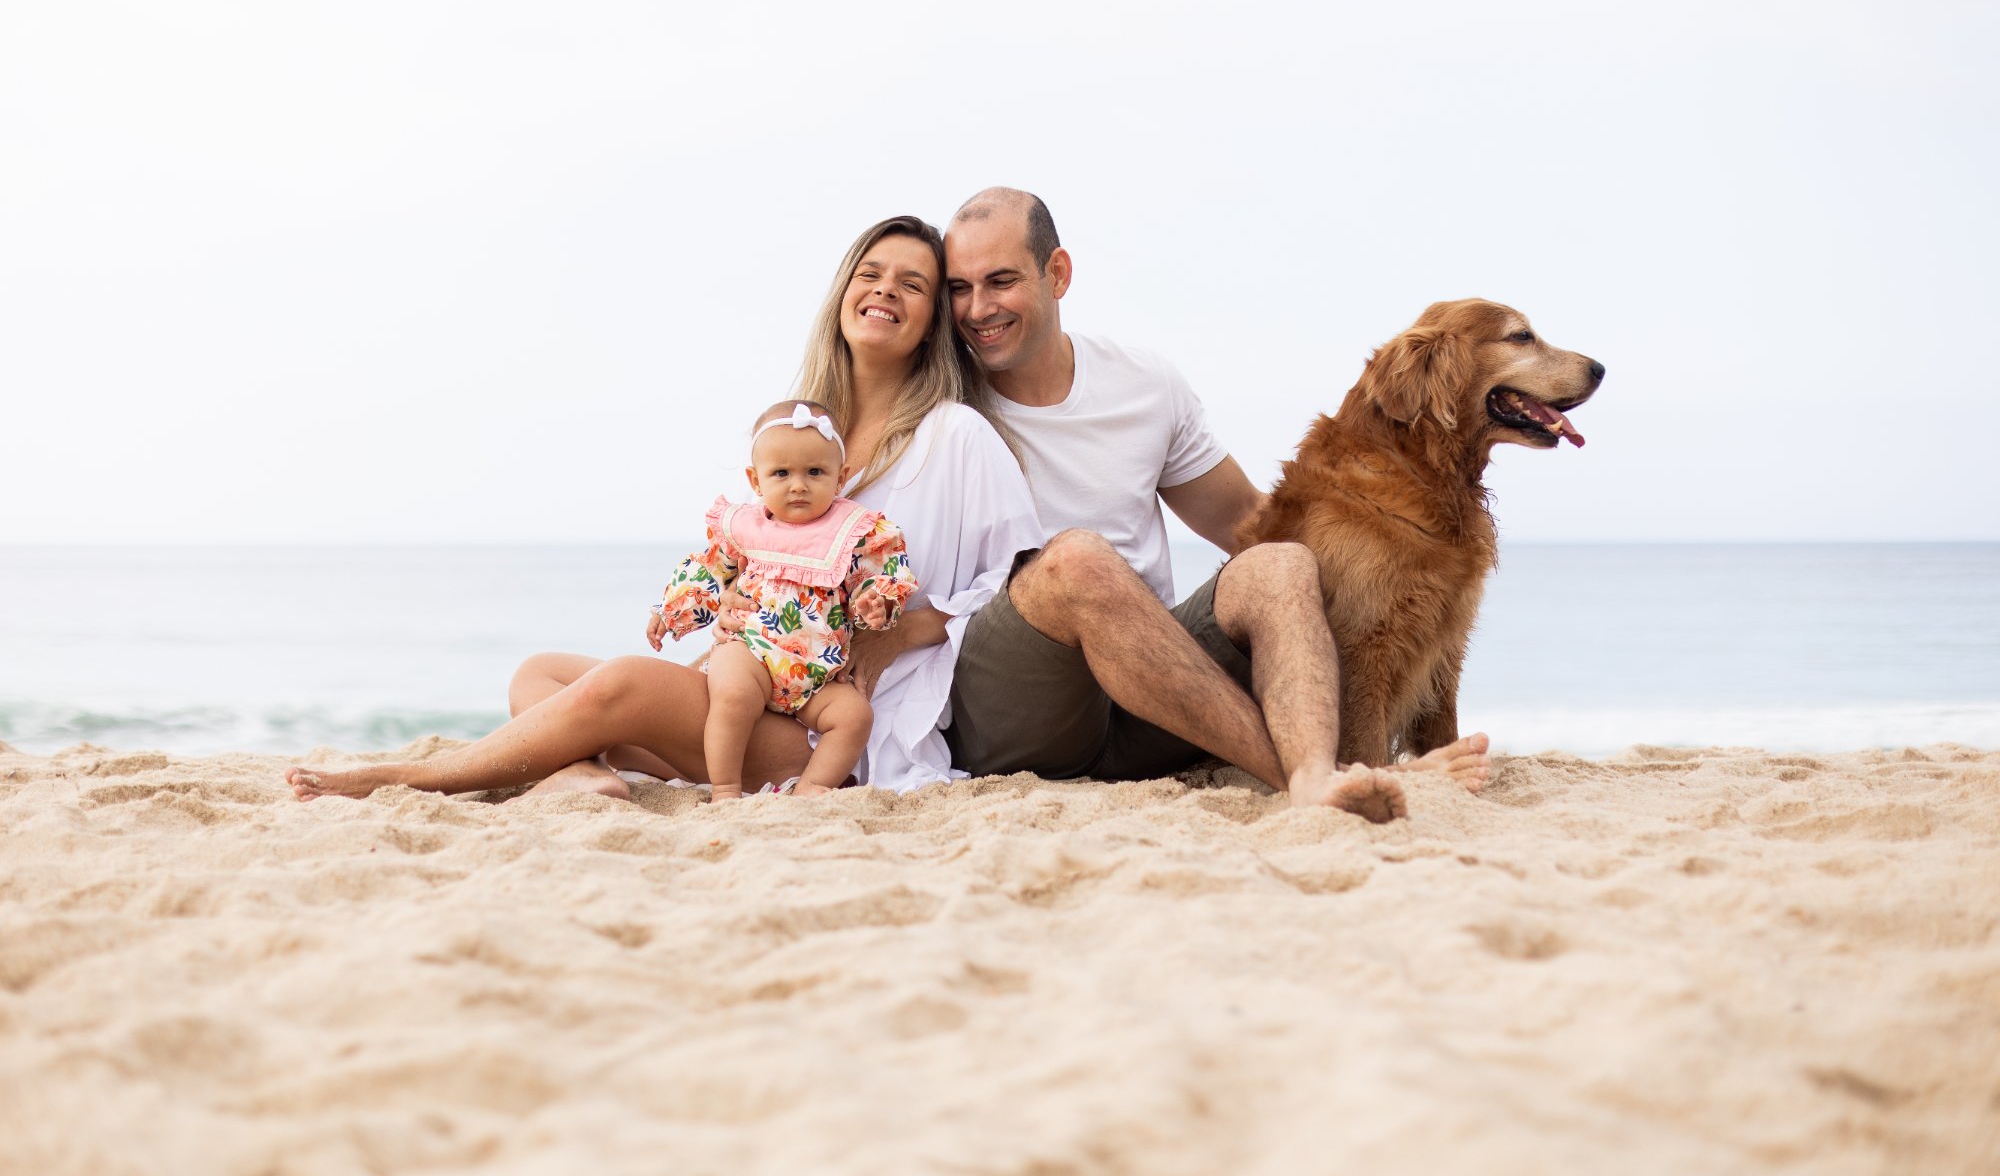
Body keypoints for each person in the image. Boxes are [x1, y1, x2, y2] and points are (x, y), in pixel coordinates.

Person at [286, 215, 1042, 802]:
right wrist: (736, 613)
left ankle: (409, 779)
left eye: (913, 283)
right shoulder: (803, 434)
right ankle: (583, 776)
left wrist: (905, 627)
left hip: (838, 734)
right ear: (843, 290)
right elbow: (745, 561)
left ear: (933, 318)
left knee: (625, 685)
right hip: (751, 692)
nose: (886, 289)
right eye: (871, 272)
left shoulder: (955, 436)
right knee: (541, 672)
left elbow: (1020, 585)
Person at [940, 187, 1492, 823]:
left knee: (1282, 562)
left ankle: (1318, 776)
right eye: (959, 287)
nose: (977, 309)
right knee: (1079, 560)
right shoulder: (941, 399)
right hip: (1017, 713)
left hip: (1150, 700)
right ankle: (1325, 776)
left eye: (1000, 281)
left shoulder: (1144, 385)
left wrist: (1413, 539)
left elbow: (1249, 525)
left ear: (1056, 273)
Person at [651, 399, 916, 800]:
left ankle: (811, 787)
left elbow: (878, 575)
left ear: (840, 477)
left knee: (854, 715)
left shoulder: (852, 531)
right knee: (733, 694)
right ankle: (725, 789)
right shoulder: (745, 528)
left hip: (817, 673)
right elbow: (709, 570)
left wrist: (875, 603)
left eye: (815, 472)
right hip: (753, 650)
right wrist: (670, 612)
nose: (798, 485)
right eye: (781, 473)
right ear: (756, 481)